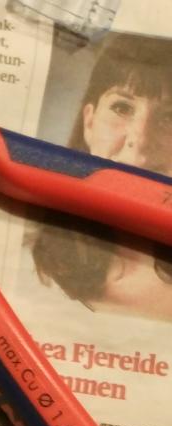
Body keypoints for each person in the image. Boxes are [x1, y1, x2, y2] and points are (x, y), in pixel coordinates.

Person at [30, 33, 172, 320]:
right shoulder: (35, 264)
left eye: (169, 118)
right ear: (89, 121)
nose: (139, 140)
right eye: (122, 108)